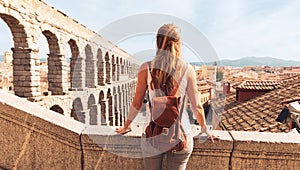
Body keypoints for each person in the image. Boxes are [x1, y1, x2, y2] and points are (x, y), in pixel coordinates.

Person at [116, 24, 219, 170]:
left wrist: (127, 125)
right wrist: (204, 128)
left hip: (152, 134)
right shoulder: (187, 69)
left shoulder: (146, 68)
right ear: (178, 44)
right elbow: (197, 106)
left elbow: (137, 102)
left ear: (157, 43)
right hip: (181, 134)